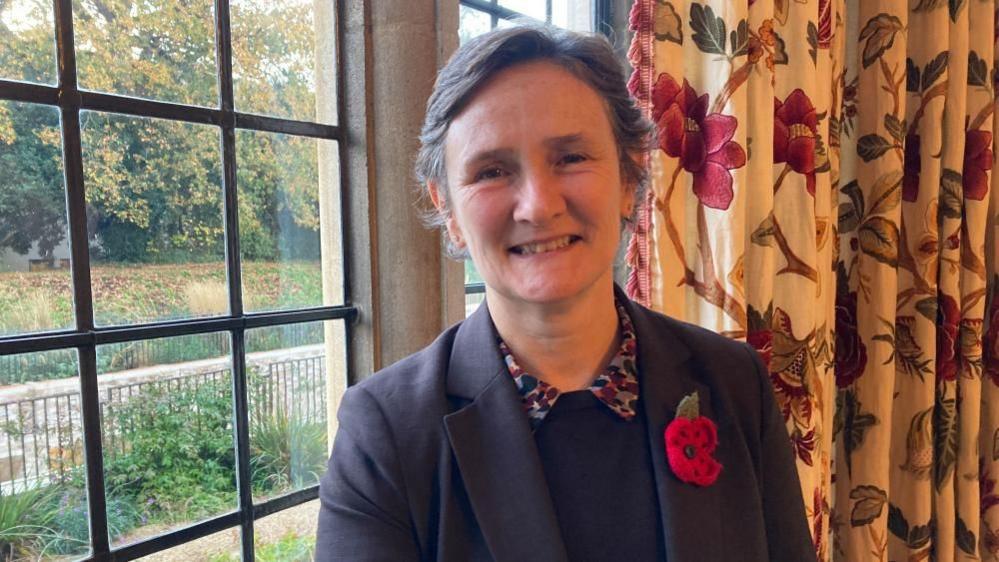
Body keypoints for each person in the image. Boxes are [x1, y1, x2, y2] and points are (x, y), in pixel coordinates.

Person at [315, 23, 816, 562]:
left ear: (629, 176)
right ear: (448, 209)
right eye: (491, 170)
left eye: (571, 158)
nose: (538, 205)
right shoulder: (385, 433)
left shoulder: (735, 383)